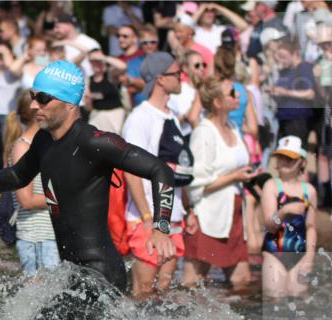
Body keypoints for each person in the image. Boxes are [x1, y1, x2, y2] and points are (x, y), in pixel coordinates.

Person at [0, 60, 177, 320]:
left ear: (70, 103)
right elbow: (19, 174)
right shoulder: (44, 140)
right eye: (33, 96)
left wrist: (161, 226)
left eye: (43, 98)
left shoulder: (95, 141)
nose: (33, 105)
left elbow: (159, 169)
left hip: (100, 276)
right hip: (73, 272)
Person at [122, 53, 195, 298]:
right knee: (143, 291)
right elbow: (131, 172)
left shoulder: (171, 114)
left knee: (163, 290)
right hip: (148, 217)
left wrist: (188, 208)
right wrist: (146, 217)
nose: (181, 77)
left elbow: (177, 167)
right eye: (177, 73)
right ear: (161, 79)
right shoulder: (140, 118)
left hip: (172, 217)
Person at [181, 76, 260, 291]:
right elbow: (195, 184)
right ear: (217, 102)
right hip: (207, 216)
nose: (238, 97)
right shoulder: (204, 132)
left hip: (234, 212)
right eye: (232, 94)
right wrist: (235, 177)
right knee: (191, 284)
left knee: (242, 281)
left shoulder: (234, 126)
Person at [3, 90, 60, 278]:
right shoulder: (22, 147)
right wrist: (67, 196)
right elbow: (26, 200)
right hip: (37, 238)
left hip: (50, 235)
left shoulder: (48, 144)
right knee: (41, 296)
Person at [259, 135, 318, 298]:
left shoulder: (309, 191)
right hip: (274, 254)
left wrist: (310, 257)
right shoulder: (271, 186)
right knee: (274, 300)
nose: (284, 161)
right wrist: (283, 211)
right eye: (281, 157)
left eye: (289, 158)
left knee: (298, 302)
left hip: (300, 255)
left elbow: (311, 227)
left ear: (302, 162)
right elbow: (270, 225)